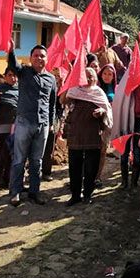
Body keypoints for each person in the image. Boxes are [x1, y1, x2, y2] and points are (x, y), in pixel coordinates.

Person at [7, 40, 56, 206]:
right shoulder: (24, 72)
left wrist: (51, 123)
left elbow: (52, 103)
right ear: (30, 58)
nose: (39, 58)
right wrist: (11, 50)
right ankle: (16, 192)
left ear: (47, 59)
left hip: (42, 125)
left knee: (37, 161)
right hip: (24, 123)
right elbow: (13, 65)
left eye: (42, 56)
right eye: (35, 56)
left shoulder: (51, 79)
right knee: (19, 159)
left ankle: (35, 192)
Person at [61, 68, 112, 206]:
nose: (89, 79)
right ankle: (75, 195)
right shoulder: (74, 91)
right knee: (74, 167)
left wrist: (102, 112)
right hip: (76, 135)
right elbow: (63, 100)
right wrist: (69, 84)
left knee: (91, 168)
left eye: (92, 77)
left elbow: (108, 112)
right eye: (86, 77)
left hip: (93, 135)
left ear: (96, 78)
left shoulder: (99, 93)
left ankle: (88, 194)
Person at [0, 68, 19, 191]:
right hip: (3, 126)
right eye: (10, 75)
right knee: (2, 152)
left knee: (13, 154)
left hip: (17, 126)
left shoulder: (21, 89)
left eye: (15, 75)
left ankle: (8, 180)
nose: (13, 78)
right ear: (5, 76)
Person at [120, 82, 140, 189]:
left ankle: (134, 182)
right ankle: (124, 181)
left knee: (137, 152)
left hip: (139, 120)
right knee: (124, 152)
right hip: (126, 119)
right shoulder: (124, 84)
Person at [96, 64, 117, 187]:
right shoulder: (95, 87)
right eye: (105, 73)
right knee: (91, 150)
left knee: (103, 150)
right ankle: (86, 175)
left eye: (110, 74)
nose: (107, 76)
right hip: (94, 122)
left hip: (107, 123)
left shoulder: (116, 89)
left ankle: (98, 176)